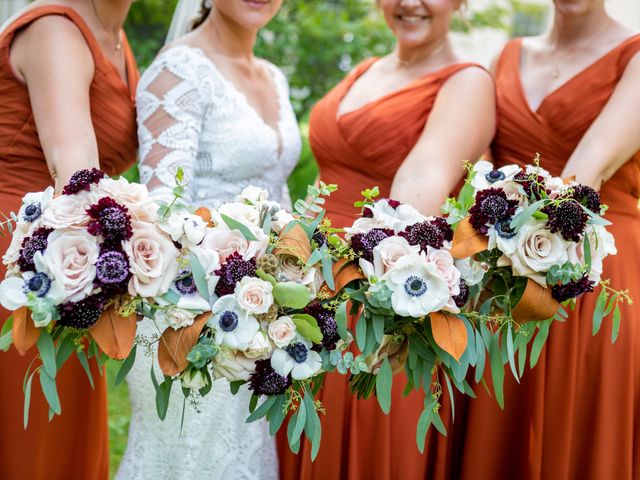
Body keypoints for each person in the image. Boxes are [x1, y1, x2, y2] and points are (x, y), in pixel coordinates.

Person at [277, 0, 495, 478]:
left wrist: (354, 285)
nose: (409, 3)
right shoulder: (365, 69)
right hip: (307, 291)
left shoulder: (467, 83)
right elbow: (326, 182)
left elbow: (415, 198)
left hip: (378, 299)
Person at [442, 1, 640, 478]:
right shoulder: (506, 56)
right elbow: (477, 173)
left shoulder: (635, 57)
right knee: (500, 427)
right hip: (502, 279)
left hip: (593, 275)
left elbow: (585, 175)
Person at [116, 0, 301, 478]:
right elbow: (164, 213)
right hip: (188, 315)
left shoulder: (273, 77)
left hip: (261, 312)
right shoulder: (178, 70)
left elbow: (277, 193)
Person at [0, 0, 138, 479]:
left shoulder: (119, 40)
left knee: (62, 428)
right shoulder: (56, 27)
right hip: (25, 258)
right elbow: (73, 167)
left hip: (77, 253)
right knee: (31, 433)